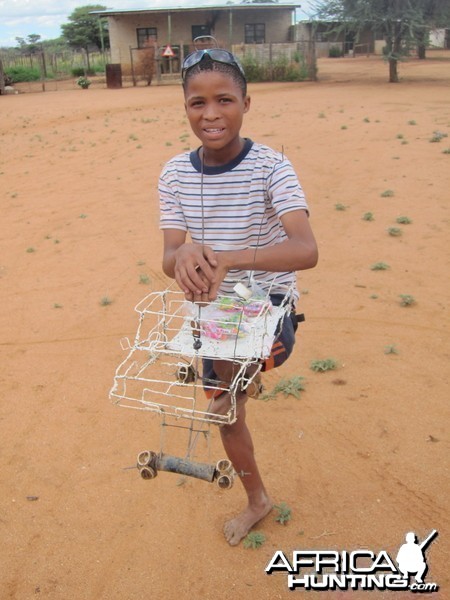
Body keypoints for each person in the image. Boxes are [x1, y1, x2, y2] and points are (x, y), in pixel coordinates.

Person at [159, 47, 318, 546]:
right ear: (184, 107)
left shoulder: (272, 167)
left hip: (265, 304)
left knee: (223, 410)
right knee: (227, 389)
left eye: (224, 100)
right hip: (210, 307)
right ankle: (241, 383)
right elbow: (168, 258)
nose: (210, 115)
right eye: (196, 103)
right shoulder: (174, 174)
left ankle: (257, 502)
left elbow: (305, 249)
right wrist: (182, 255)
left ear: (247, 103)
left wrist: (228, 257)